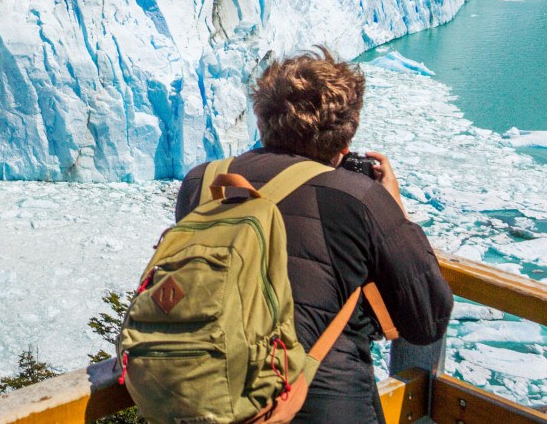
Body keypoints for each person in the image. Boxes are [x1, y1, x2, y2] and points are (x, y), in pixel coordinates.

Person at [175, 48, 453, 423]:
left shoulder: (203, 181)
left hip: (209, 398)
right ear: (344, 140)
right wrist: (395, 209)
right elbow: (427, 320)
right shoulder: (358, 197)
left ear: (263, 118)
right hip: (324, 404)